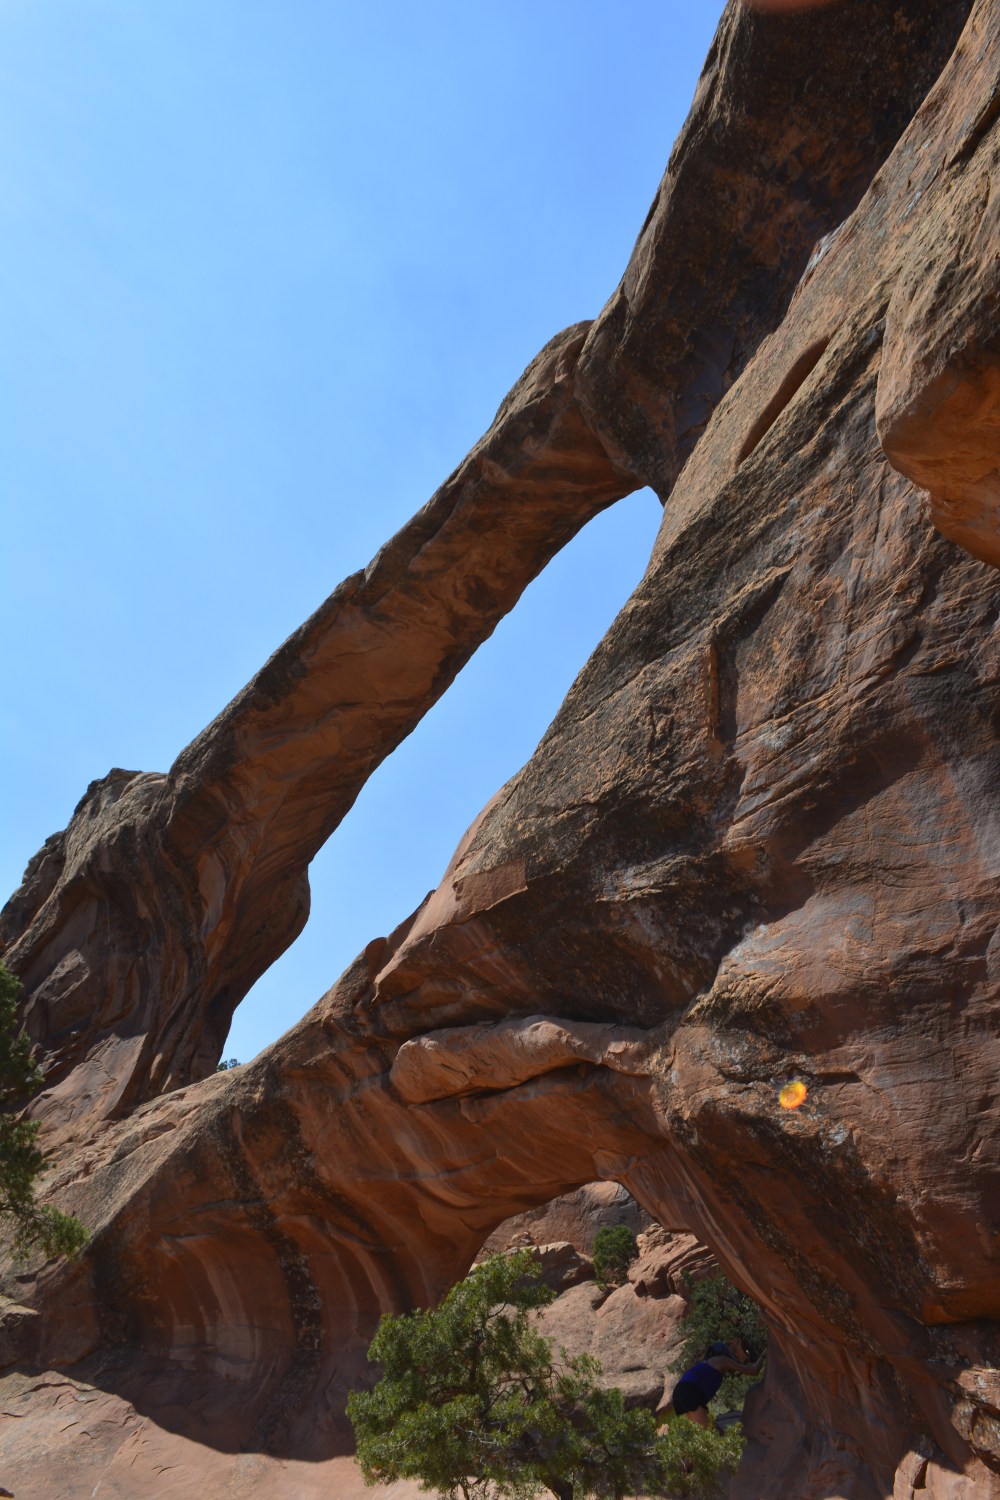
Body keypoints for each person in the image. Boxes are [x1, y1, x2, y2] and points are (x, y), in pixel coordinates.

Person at [662, 1338, 765, 1428]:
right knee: (710, 1435)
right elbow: (753, 1371)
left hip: (678, 1394)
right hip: (690, 1393)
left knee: (696, 1435)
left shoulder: (707, 1364)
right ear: (724, 1353)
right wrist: (763, 1355)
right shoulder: (722, 1360)